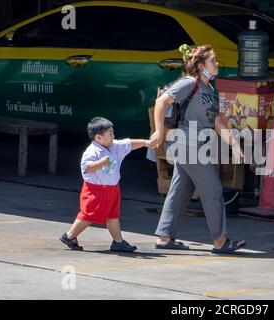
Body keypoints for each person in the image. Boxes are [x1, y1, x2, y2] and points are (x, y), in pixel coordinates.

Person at [149, 44, 246, 254]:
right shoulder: (189, 83)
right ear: (200, 65)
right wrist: (158, 131)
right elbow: (161, 102)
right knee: (213, 190)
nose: (217, 64)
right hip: (187, 145)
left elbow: (218, 122)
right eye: (213, 61)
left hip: (196, 146)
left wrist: (235, 144)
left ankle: (164, 237)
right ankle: (220, 241)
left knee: (180, 190)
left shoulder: (210, 90)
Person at [60, 117, 151, 252]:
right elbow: (86, 168)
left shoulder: (114, 146)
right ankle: (69, 235)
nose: (113, 136)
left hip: (113, 189)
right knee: (89, 215)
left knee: (113, 215)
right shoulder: (92, 152)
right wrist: (100, 163)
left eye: (112, 132)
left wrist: (145, 143)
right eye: (110, 133)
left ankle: (118, 242)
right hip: (96, 190)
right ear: (98, 137)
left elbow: (129, 144)